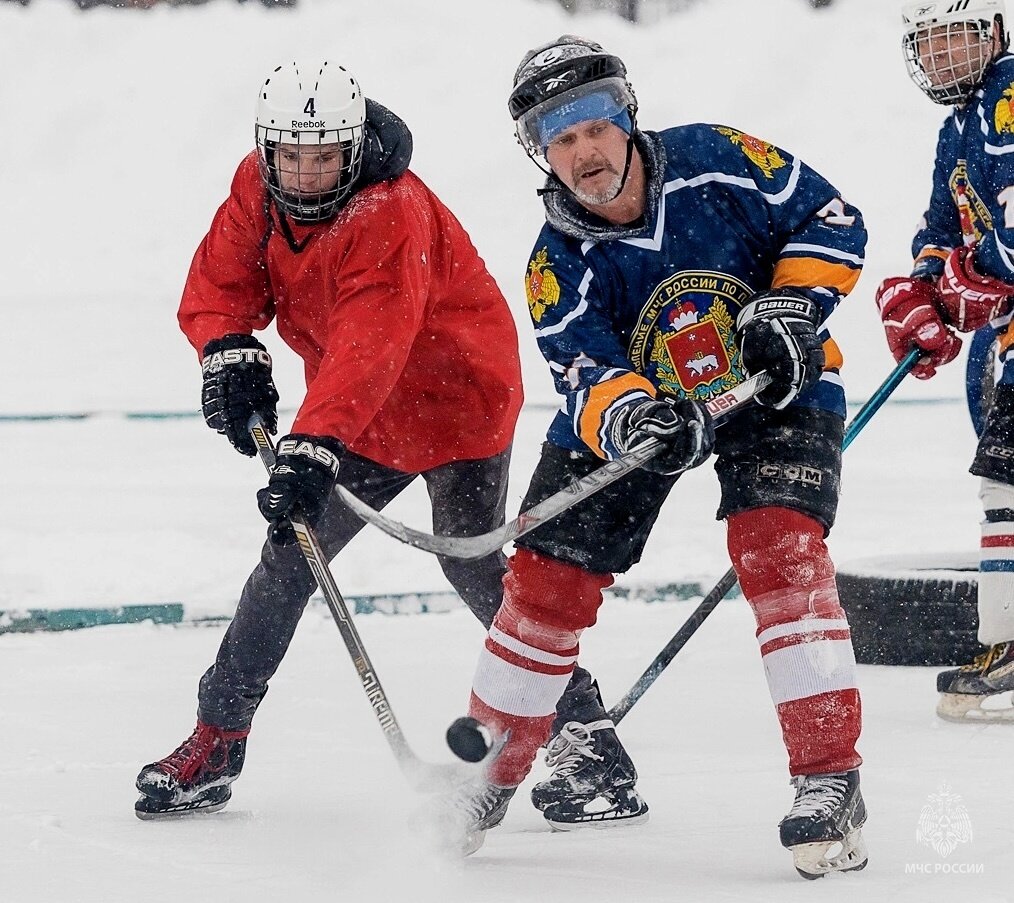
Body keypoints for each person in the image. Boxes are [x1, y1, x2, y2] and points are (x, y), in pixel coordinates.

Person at [132, 58, 632, 821]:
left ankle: (584, 730)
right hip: (358, 405)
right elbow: (221, 283)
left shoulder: (386, 209)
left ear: (352, 145)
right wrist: (226, 345)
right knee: (290, 557)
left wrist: (313, 441)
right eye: (289, 157)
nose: (303, 174)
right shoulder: (257, 185)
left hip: (456, 395)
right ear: (268, 149)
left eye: (322, 156)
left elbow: (373, 337)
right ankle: (219, 734)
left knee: (469, 560)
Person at [443, 35, 871, 879]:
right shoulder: (555, 262)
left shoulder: (719, 159)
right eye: (559, 138)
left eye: (594, 127)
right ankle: (486, 772)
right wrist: (634, 414)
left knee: (777, 548)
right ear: (540, 151)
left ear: (625, 117)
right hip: (649, 415)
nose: (583, 152)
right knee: (542, 584)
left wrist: (789, 307)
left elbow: (833, 218)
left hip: (773, 389)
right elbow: (583, 369)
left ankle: (830, 780)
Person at [876, 0, 1014, 723]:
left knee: (1006, 478)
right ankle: (1005, 643)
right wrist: (922, 292)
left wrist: (976, 271)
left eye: (955, 37)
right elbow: (940, 227)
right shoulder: (956, 127)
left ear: (994, 31)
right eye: (927, 43)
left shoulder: (1011, 95)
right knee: (1002, 475)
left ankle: (1010, 645)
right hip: (1005, 335)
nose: (941, 57)